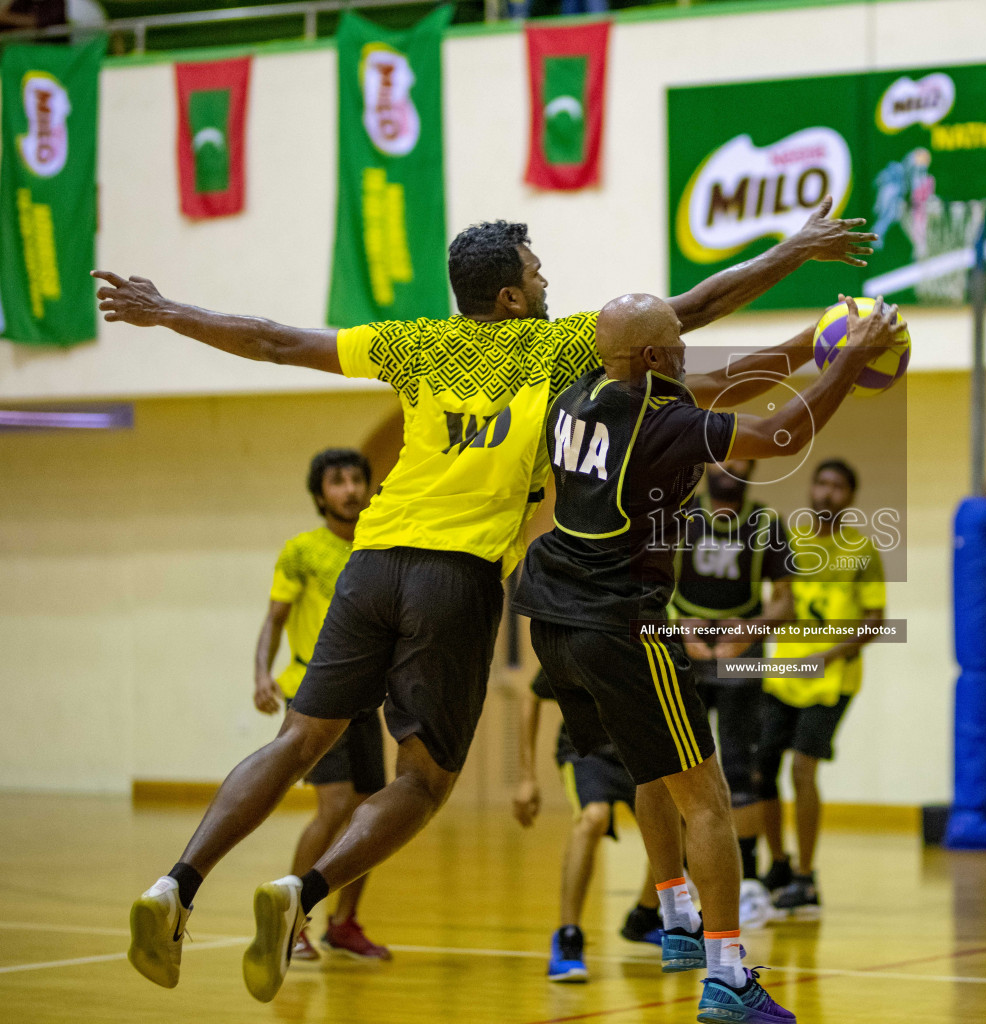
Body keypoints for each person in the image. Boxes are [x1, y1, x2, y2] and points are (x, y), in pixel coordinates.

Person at [101, 199, 875, 1002]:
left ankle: (176, 884)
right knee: (424, 783)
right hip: (457, 578)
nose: (545, 278)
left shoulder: (412, 342)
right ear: (510, 297)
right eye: (534, 270)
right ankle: (306, 891)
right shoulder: (558, 350)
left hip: (370, 562)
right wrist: (801, 252)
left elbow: (272, 340)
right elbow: (697, 313)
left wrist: (164, 312)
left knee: (298, 739)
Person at [512, 292, 902, 1024]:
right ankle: (726, 979)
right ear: (655, 358)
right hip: (622, 621)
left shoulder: (579, 393)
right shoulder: (666, 424)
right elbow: (784, 434)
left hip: (552, 616)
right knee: (709, 799)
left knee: (651, 769)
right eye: (677, 340)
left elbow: (740, 376)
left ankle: (676, 916)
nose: (690, 349)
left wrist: (812, 339)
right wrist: (848, 359)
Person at [253, 448, 390, 962]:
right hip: (312, 692)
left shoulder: (377, 549)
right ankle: (293, 919)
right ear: (319, 495)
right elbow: (275, 618)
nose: (350, 489)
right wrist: (261, 673)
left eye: (357, 479)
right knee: (334, 805)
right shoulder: (301, 551)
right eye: (337, 481)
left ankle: (345, 923)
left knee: (372, 813)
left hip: (364, 696)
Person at [757, 459, 886, 919]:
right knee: (760, 769)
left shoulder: (863, 550)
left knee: (803, 771)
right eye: (823, 483)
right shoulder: (789, 540)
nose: (828, 492)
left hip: (832, 678)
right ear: (812, 488)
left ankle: (807, 878)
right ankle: (779, 864)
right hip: (783, 672)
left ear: (849, 497)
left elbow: (876, 622)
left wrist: (828, 655)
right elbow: (778, 601)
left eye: (838, 487)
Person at [672, 460, 794, 928]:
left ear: (754, 467)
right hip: (685, 657)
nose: (732, 466)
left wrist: (754, 628)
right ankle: (681, 885)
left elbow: (784, 598)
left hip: (741, 661)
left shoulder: (765, 525)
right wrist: (676, 626)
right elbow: (649, 584)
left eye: (743, 458)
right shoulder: (680, 519)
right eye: (725, 457)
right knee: (681, 769)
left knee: (742, 770)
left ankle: (748, 883)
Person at [513, 668, 664, 982]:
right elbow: (532, 695)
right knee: (594, 817)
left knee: (673, 826)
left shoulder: (652, 634)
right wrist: (527, 776)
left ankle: (645, 917)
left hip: (640, 753)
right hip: (586, 755)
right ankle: (568, 936)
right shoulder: (577, 635)